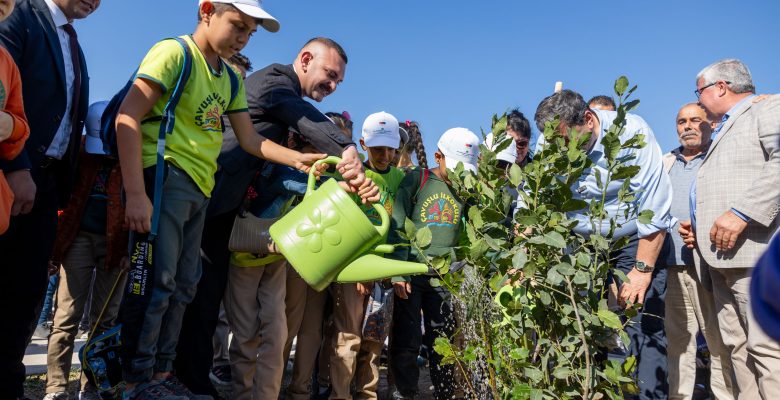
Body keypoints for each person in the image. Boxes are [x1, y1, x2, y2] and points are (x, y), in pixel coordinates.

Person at [114, 1, 327, 398]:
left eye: (250, 32)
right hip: (165, 175)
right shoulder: (174, 53)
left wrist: (298, 159)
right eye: (237, 25)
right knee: (156, 282)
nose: (243, 38)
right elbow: (127, 117)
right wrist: (137, 194)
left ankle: (162, 376)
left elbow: (251, 139)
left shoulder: (228, 79)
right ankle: (135, 380)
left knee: (185, 284)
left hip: (201, 186)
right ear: (207, 10)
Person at [175, 36, 378, 398]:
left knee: (205, 301)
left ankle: (192, 380)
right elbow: (311, 122)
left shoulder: (285, 95)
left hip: (223, 211)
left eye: (338, 83)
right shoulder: (274, 84)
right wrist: (347, 148)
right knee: (193, 298)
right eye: (329, 75)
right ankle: (177, 379)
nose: (332, 86)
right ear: (304, 59)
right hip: (205, 200)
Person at [534, 90, 673, 399]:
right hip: (584, 245)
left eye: (566, 140)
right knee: (587, 326)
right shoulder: (550, 140)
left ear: (588, 119)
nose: (560, 149)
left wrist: (641, 270)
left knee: (641, 325)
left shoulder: (632, 132)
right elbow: (539, 197)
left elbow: (654, 205)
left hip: (635, 240)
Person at [0, 0, 97, 396]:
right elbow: (4, 94)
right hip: (14, 174)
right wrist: (16, 167)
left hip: (47, 187)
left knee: (25, 293)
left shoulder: (74, 44)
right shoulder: (19, 13)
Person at [683, 59, 780, 399]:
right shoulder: (723, 127)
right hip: (721, 262)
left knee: (767, 351)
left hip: (754, 258)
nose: (697, 100)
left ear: (721, 87)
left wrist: (741, 212)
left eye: (699, 92)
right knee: (737, 349)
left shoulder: (767, 109)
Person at [44, 101, 129, 400]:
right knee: (66, 316)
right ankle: (56, 387)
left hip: (116, 243)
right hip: (77, 238)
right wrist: (54, 250)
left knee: (105, 319)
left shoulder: (133, 154)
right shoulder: (78, 152)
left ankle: (95, 386)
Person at [389, 127, 480, 399]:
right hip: (413, 271)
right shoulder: (416, 179)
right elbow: (397, 225)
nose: (459, 174)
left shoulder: (466, 187)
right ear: (438, 156)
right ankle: (405, 392)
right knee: (407, 339)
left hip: (446, 275)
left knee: (443, 338)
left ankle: (444, 392)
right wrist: (397, 272)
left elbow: (477, 225)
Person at [329, 111, 406, 400]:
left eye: (389, 148)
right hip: (354, 268)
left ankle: (367, 394)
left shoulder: (401, 180)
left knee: (374, 342)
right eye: (377, 149)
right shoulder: (353, 175)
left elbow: (400, 228)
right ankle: (340, 394)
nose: (384, 155)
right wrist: (358, 269)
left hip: (384, 271)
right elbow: (344, 224)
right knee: (348, 337)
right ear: (363, 144)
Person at [660, 103, 733, 400]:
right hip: (671, 265)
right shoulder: (665, 162)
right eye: (681, 121)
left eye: (694, 120)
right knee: (678, 343)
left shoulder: (718, 159)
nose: (687, 126)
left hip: (708, 265)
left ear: (710, 125)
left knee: (718, 342)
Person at [209, 51, 253, 389]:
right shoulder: (207, 123)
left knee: (224, 304)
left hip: (233, 222)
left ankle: (220, 362)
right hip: (201, 212)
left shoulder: (244, 126)